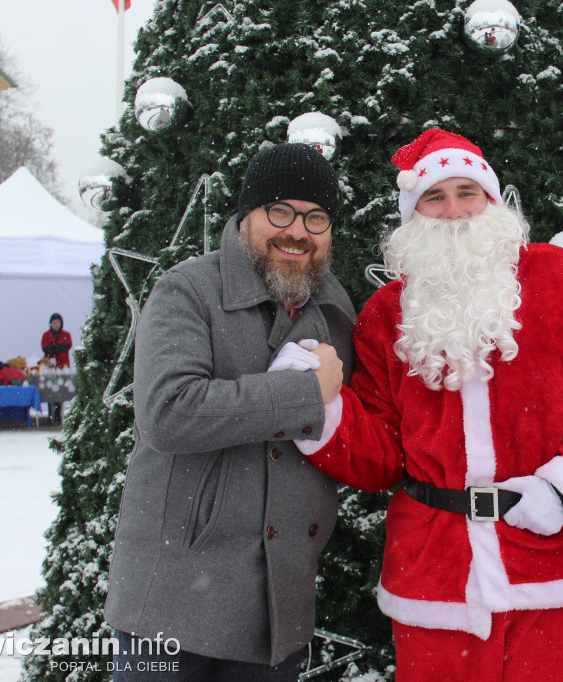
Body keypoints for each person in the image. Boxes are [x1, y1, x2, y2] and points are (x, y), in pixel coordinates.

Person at [291, 129, 563, 681]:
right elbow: (382, 455)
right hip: (435, 579)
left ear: (492, 200)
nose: (454, 210)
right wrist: (313, 405)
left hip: (556, 566)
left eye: (468, 191)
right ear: (413, 213)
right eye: (435, 197)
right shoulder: (385, 313)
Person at [104, 143, 356, 681]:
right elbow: (169, 412)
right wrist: (304, 394)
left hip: (278, 606)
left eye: (316, 217)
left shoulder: (337, 312)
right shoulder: (188, 290)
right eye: (279, 212)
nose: (297, 231)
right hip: (171, 599)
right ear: (246, 218)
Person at [41, 313, 73, 423]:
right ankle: (51, 414)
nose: (56, 324)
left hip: (62, 367)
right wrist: (58, 347)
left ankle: (59, 413)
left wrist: (55, 347)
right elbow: (45, 349)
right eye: (54, 322)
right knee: (49, 391)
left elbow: (67, 346)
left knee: (61, 391)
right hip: (50, 368)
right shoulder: (46, 335)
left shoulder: (66, 334)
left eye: (58, 322)